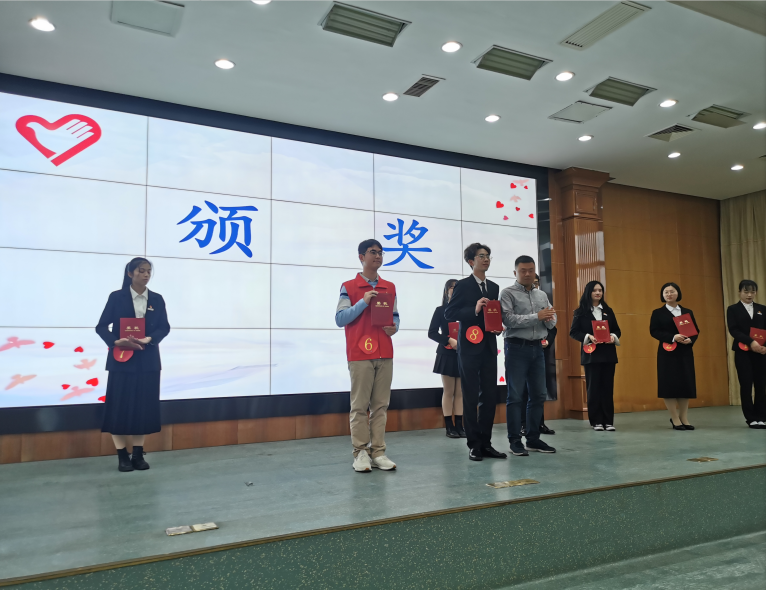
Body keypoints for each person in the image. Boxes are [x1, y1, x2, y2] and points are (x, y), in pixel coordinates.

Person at [95, 257, 170, 472]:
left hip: (148, 360)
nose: (146, 275)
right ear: (130, 273)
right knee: (118, 408)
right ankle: (122, 456)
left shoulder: (157, 299)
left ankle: (138, 454)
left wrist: (149, 339)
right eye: (141, 271)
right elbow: (101, 327)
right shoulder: (117, 297)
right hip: (121, 359)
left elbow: (164, 327)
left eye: (148, 271)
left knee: (143, 409)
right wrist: (115, 342)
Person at [335, 239, 400, 472]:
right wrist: (363, 302)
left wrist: (394, 328)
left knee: (381, 406)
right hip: (359, 353)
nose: (378, 256)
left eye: (381, 253)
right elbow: (340, 318)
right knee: (360, 406)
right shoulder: (349, 286)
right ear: (361, 257)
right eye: (373, 252)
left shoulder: (389, 286)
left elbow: (395, 317)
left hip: (385, 352)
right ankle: (360, 452)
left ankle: (379, 452)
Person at [445, 243, 507, 461]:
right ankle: (474, 445)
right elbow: (450, 313)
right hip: (469, 348)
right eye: (481, 256)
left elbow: (493, 315)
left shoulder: (494, 287)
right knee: (470, 396)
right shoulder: (462, 285)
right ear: (471, 261)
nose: (486, 259)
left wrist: (497, 326)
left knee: (489, 397)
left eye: (488, 256)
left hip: (489, 346)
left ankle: (486, 443)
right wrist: (474, 309)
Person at [501, 256, 557, 456]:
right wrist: (537, 317)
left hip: (537, 349)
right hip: (516, 348)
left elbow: (552, 318)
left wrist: (549, 319)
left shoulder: (541, 294)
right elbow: (508, 319)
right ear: (515, 272)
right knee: (515, 396)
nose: (527, 274)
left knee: (539, 395)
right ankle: (515, 440)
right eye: (523, 270)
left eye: (531, 270)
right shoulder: (507, 293)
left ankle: (533, 439)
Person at [569, 281, 621, 432]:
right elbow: (574, 332)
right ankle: (596, 421)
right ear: (588, 292)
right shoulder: (580, 312)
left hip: (608, 354)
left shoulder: (608, 311)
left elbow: (617, 330)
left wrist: (612, 336)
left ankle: (608, 421)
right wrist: (588, 337)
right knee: (593, 388)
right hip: (591, 355)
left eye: (600, 290)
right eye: (595, 290)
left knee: (607, 388)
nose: (598, 293)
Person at [649, 282, 699, 430]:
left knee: (685, 384)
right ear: (662, 295)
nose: (669, 294)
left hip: (685, 352)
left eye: (672, 291)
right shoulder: (658, 312)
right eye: (666, 292)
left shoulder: (687, 312)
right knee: (669, 384)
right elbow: (654, 331)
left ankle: (684, 417)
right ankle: (675, 418)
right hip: (667, 352)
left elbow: (696, 330)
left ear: (678, 293)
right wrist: (672, 337)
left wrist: (691, 340)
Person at [726, 280, 766, 429]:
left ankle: (761, 416)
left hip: (760, 352)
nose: (749, 295)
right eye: (746, 291)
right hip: (742, 352)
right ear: (739, 292)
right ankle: (751, 418)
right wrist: (751, 342)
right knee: (746, 384)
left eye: (752, 292)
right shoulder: (733, 309)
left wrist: (764, 347)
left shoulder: (762, 309)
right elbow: (733, 330)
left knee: (761, 384)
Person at [428, 279, 465, 438]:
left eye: (457, 287)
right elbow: (432, 333)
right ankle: (449, 427)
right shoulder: (440, 310)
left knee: (460, 392)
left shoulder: (466, 310)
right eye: (451, 287)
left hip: (463, 354)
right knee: (449, 391)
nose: (454, 289)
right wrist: (448, 340)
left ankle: (460, 426)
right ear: (446, 291)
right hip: (447, 353)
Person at [520, 274, 556, 436]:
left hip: (541, 351)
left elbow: (553, 328)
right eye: (531, 282)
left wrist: (548, 341)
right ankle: (523, 424)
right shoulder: (519, 301)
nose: (534, 285)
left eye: (536, 283)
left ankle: (539, 423)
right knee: (523, 390)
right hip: (522, 350)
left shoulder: (543, 300)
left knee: (539, 390)